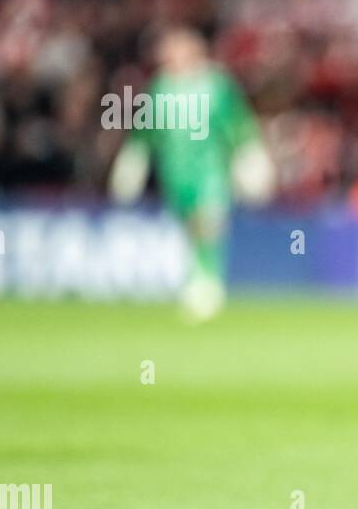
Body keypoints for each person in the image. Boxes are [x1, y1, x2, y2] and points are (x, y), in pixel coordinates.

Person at [109, 26, 274, 322]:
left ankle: (208, 283)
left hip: (210, 171)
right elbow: (145, 132)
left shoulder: (216, 85)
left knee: (208, 223)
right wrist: (133, 159)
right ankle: (197, 277)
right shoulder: (160, 87)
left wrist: (249, 155)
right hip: (175, 172)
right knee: (190, 227)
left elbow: (237, 124)